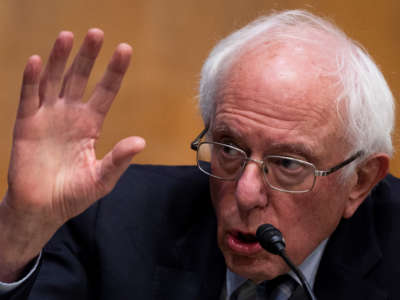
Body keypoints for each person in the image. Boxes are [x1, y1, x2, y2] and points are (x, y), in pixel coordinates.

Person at [0, 9, 399, 300]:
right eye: (228, 149)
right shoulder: (114, 220)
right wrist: (17, 238)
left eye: (288, 164)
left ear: (359, 181)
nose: (245, 193)